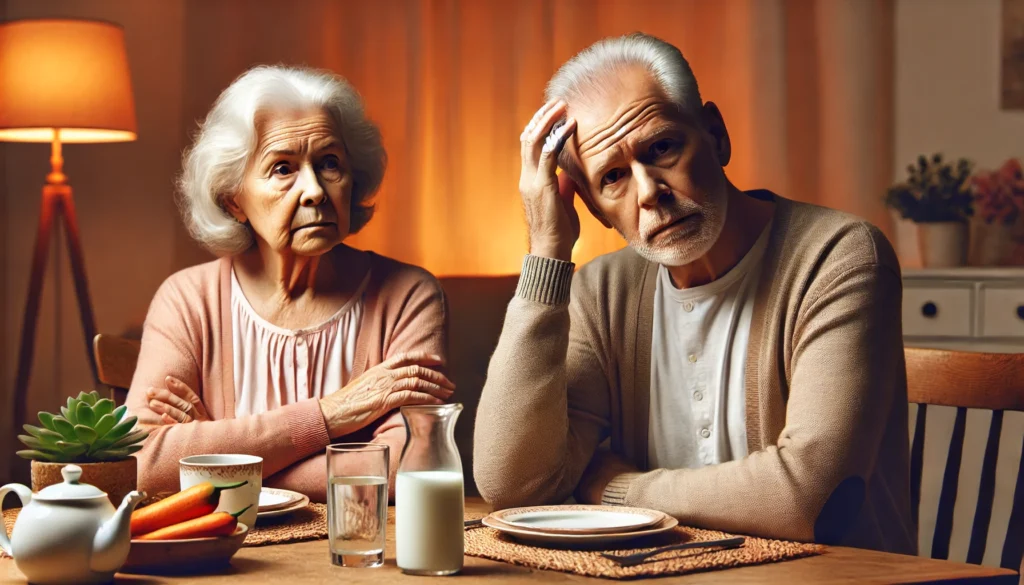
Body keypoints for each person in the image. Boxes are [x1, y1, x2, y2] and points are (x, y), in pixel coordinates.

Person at [473, 33, 915, 553]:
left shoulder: (838, 256)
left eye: (662, 147)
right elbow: (515, 486)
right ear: (593, 209)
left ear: (715, 135)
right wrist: (547, 251)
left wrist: (615, 489)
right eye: (613, 177)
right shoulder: (601, 291)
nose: (649, 193)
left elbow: (810, 494)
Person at [127, 65, 453, 501]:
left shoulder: (408, 296)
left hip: (357, 558)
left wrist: (219, 460)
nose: (315, 190)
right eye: (283, 168)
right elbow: (142, 464)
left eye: (329, 163)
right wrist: (328, 416)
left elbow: (410, 467)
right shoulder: (188, 300)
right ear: (234, 200)